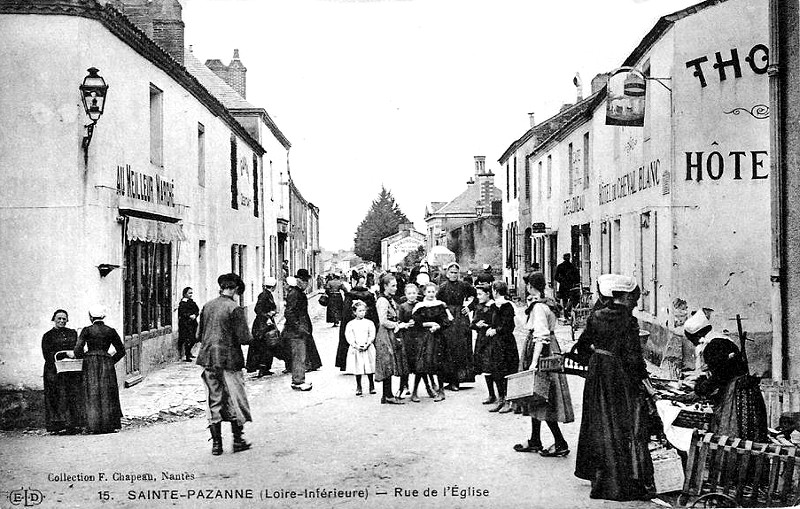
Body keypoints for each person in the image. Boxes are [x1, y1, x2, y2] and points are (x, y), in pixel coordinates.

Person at [572, 274, 656, 501]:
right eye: (634, 298)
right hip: (618, 376)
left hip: (597, 372)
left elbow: (581, 346)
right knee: (620, 425)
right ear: (626, 297)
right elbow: (633, 357)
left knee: (597, 423)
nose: (636, 303)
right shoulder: (628, 321)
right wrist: (643, 380)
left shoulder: (596, 315)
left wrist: (597, 358)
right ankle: (618, 483)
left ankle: (597, 477)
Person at [514, 273, 573, 455]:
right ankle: (535, 439)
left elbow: (541, 335)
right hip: (548, 347)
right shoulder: (548, 302)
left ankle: (560, 442)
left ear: (531, 287)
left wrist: (533, 363)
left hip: (541, 351)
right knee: (536, 397)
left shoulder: (539, 307)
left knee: (543, 397)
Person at [195, 273, 253, 455]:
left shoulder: (207, 306)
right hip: (229, 360)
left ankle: (217, 445)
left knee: (214, 399)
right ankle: (237, 441)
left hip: (208, 360)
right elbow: (244, 338)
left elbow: (199, 335)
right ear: (235, 289)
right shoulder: (235, 309)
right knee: (235, 398)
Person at [695, 337, 768, 441]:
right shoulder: (744, 380)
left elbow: (714, 380)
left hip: (737, 431)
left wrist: (700, 385)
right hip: (753, 438)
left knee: (735, 439)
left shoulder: (732, 380)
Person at [74, 306, 125, 434]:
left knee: (91, 392)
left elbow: (77, 350)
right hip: (106, 362)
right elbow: (121, 351)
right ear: (103, 317)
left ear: (91, 317)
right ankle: (109, 425)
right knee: (107, 392)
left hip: (90, 363)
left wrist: (85, 358)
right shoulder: (110, 331)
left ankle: (93, 425)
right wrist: (110, 360)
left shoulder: (86, 330)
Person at [41, 309, 84, 434]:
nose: (61, 321)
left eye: (64, 319)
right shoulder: (47, 335)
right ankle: (56, 426)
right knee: (55, 396)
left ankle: (72, 425)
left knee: (71, 395)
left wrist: (74, 354)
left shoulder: (72, 333)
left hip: (70, 369)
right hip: (53, 369)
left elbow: (77, 348)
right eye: (59, 318)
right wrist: (64, 354)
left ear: (67, 320)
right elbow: (47, 355)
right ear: (54, 319)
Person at [437, 262, 476, 391]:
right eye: (451, 272)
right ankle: (449, 380)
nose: (453, 275)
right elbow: (437, 302)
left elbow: (477, 296)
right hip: (448, 318)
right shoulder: (442, 287)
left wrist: (469, 308)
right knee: (448, 348)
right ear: (447, 273)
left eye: (456, 273)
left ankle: (458, 380)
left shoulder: (464, 285)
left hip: (461, 318)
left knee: (461, 347)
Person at [374, 274, 411, 404]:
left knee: (390, 362)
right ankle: (387, 395)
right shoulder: (382, 301)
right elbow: (383, 321)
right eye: (393, 286)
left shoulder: (390, 299)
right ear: (385, 286)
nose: (395, 288)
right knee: (387, 362)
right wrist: (397, 325)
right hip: (385, 334)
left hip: (392, 333)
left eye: (396, 285)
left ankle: (387, 395)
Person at [484, 281, 520, 413]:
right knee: (497, 371)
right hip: (496, 343)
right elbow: (492, 321)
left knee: (507, 370)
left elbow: (509, 325)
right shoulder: (493, 306)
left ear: (495, 291)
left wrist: (496, 330)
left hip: (506, 343)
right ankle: (501, 399)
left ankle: (509, 401)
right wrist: (490, 327)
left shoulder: (508, 306)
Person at [411, 282, 451, 401]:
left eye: (433, 292)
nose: (431, 294)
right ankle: (414, 392)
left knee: (438, 364)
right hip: (423, 337)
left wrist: (438, 326)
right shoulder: (420, 306)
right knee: (421, 364)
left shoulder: (440, 305)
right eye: (428, 292)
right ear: (424, 293)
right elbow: (416, 322)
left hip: (437, 337)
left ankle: (441, 391)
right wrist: (429, 324)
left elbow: (446, 321)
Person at [335, 275, 379, 371]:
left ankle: (348, 364)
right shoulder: (369, 295)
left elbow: (345, 314)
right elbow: (374, 314)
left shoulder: (349, 295)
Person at [283, 269, 316, 391]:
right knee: (299, 356)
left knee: (300, 355)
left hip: (299, 329)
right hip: (296, 332)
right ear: (298, 281)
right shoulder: (295, 294)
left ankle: (298, 379)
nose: (306, 283)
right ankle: (298, 381)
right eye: (304, 281)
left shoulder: (297, 293)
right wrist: (299, 327)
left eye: (307, 281)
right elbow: (289, 312)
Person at [246, 277, 279, 377]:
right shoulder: (264, 295)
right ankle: (261, 368)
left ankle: (265, 368)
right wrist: (268, 315)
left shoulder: (267, 294)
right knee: (262, 346)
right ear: (273, 286)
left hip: (265, 323)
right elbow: (258, 309)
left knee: (268, 346)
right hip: (262, 325)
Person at [345, 300, 377, 396]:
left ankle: (371, 385)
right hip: (357, 348)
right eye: (360, 311)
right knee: (358, 367)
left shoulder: (369, 323)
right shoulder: (351, 324)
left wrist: (368, 343)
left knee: (369, 366)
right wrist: (355, 345)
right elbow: (349, 336)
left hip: (367, 347)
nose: (362, 313)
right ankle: (359, 386)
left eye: (363, 311)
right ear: (354, 312)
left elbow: (372, 334)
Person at [471, 285, 496, 406]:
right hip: (482, 340)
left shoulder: (494, 307)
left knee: (494, 366)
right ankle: (491, 394)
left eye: (480, 294)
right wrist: (478, 325)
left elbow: (497, 323)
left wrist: (489, 325)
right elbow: (472, 324)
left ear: (488, 294)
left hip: (492, 339)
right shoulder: (479, 307)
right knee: (485, 367)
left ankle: (502, 395)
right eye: (477, 294)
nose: (478, 297)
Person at [554, 254, 581, 319]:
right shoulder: (572, 266)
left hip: (564, 285)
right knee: (571, 299)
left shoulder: (561, 266)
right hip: (570, 285)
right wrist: (575, 282)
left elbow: (556, 277)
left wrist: (561, 281)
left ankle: (566, 313)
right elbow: (577, 277)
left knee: (565, 300)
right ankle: (569, 312)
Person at [177, 287, 200, 362]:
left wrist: (195, 315)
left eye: (191, 293)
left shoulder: (192, 302)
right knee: (188, 339)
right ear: (185, 294)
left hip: (193, 323)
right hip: (186, 324)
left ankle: (189, 352)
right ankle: (187, 355)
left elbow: (197, 309)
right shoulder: (182, 303)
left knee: (194, 338)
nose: (191, 295)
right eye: (189, 293)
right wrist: (189, 315)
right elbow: (182, 313)